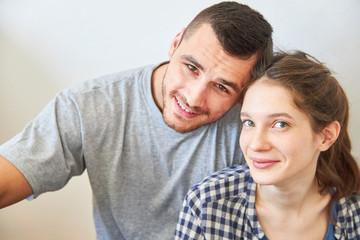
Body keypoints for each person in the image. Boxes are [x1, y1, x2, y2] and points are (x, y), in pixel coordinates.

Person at [0, 2, 273, 239]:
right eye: (191, 68)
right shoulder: (91, 105)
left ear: (244, 93)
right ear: (175, 43)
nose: (193, 98)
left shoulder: (259, 128)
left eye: (221, 87)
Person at [175, 51, 360, 239]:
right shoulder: (206, 206)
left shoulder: (354, 211)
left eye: (280, 124)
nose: (256, 145)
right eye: (249, 123)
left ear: (326, 136)